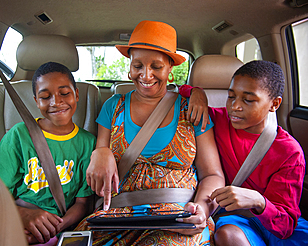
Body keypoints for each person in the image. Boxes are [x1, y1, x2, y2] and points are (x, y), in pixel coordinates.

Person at [76, 20, 225, 245]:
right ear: (129, 67)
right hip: (116, 215)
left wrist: (202, 209)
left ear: (170, 69)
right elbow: (99, 168)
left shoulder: (191, 109)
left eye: (156, 66)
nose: (146, 75)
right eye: (138, 66)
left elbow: (213, 174)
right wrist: (100, 153)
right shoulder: (112, 107)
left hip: (177, 216)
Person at [179, 60, 308, 246]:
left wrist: (258, 201)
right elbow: (178, 90)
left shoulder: (289, 152)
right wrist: (196, 92)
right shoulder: (217, 119)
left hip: (275, 222)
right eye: (231, 96)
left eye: (248, 100)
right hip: (236, 219)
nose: (235, 106)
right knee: (228, 236)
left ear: (274, 104)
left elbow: (285, 226)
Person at [0, 62, 96, 245]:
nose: (56, 102)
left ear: (76, 95)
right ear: (36, 101)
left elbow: (82, 204)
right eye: (46, 97)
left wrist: (54, 228)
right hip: (15, 218)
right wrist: (23, 215)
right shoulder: (19, 136)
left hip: (59, 227)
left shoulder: (88, 143)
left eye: (64, 93)